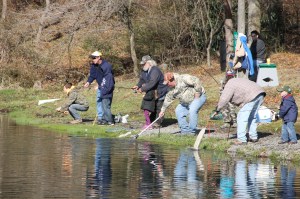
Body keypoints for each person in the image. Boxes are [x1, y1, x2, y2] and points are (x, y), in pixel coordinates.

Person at [214, 78, 266, 145]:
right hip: (260, 93)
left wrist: (217, 109)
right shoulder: (235, 80)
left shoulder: (229, 84)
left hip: (251, 96)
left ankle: (241, 139)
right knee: (252, 117)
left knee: (241, 118)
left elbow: (224, 99)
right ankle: (253, 137)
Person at [132, 55, 169, 129]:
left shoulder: (155, 70)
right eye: (142, 64)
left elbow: (152, 82)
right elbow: (142, 80)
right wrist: (138, 86)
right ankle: (152, 122)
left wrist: (142, 89)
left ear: (149, 63)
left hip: (161, 91)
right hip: (153, 92)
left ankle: (158, 123)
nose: (142, 65)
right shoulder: (144, 71)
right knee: (154, 108)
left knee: (159, 107)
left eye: (144, 63)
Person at [84, 51, 112, 123]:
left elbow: (107, 77)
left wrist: (102, 85)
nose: (93, 59)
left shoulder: (106, 65)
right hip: (100, 86)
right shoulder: (93, 65)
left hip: (106, 86)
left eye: (94, 58)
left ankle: (107, 119)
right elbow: (92, 75)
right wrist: (88, 82)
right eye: (92, 58)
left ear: (99, 57)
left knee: (105, 102)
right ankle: (100, 117)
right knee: (99, 101)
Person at [97, 60, 115, 125]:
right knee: (103, 107)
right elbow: (103, 84)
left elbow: (110, 86)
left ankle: (110, 121)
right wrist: (100, 88)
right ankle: (104, 120)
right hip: (103, 94)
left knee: (107, 107)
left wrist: (104, 92)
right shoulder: (104, 76)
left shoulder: (109, 76)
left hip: (107, 94)